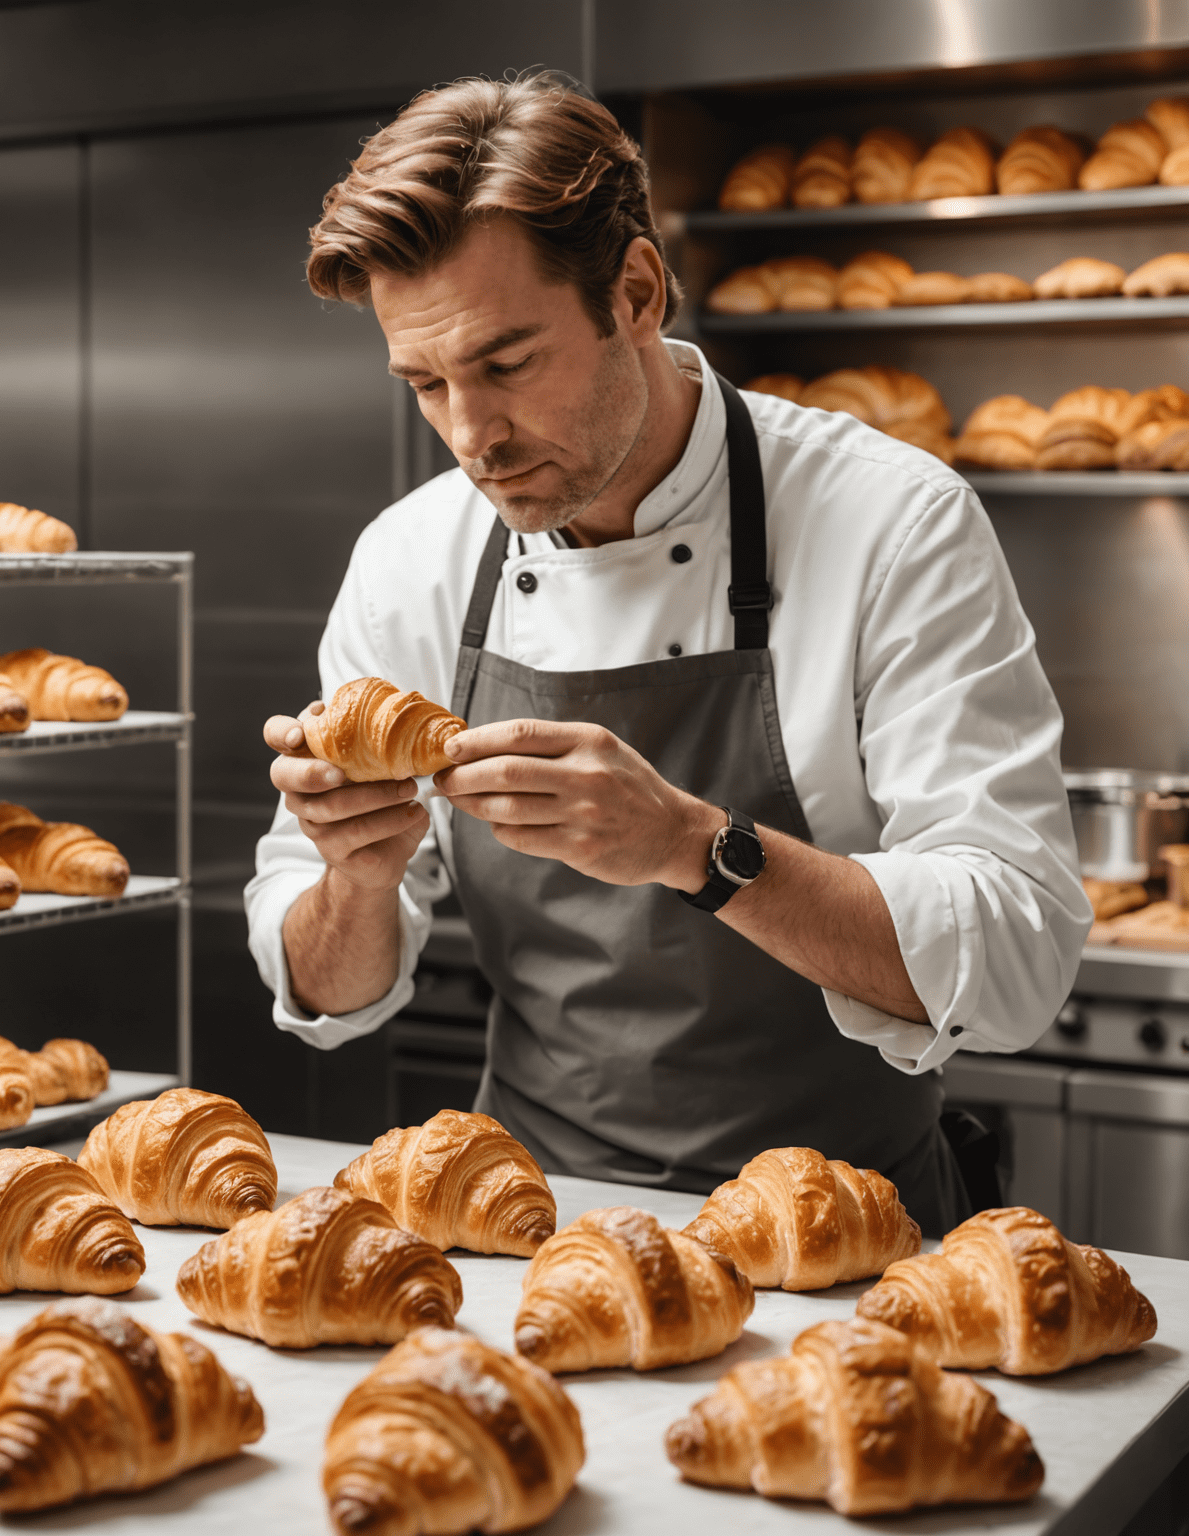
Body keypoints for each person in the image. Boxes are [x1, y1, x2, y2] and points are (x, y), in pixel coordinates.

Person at [244, 74, 1091, 1234]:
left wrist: (698, 847)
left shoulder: (892, 521)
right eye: (424, 383)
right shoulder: (412, 558)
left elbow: (1015, 953)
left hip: (849, 1245)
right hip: (536, 1233)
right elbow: (328, 998)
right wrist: (357, 874)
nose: (470, 437)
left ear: (635, 291)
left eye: (506, 363)